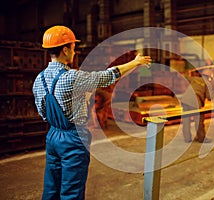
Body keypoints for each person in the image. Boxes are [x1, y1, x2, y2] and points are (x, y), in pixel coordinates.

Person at [32, 25, 151, 200]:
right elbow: (107, 76)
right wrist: (135, 62)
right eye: (73, 48)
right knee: (71, 191)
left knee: (51, 188)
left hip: (52, 137)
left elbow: (43, 113)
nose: (74, 52)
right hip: (73, 138)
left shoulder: (39, 79)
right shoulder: (72, 77)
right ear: (65, 50)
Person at [181, 69, 214, 143]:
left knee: (186, 121)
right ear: (209, 77)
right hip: (195, 101)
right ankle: (201, 138)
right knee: (199, 120)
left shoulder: (195, 79)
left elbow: (185, 77)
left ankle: (187, 138)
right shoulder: (207, 83)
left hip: (185, 100)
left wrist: (188, 72)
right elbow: (209, 97)